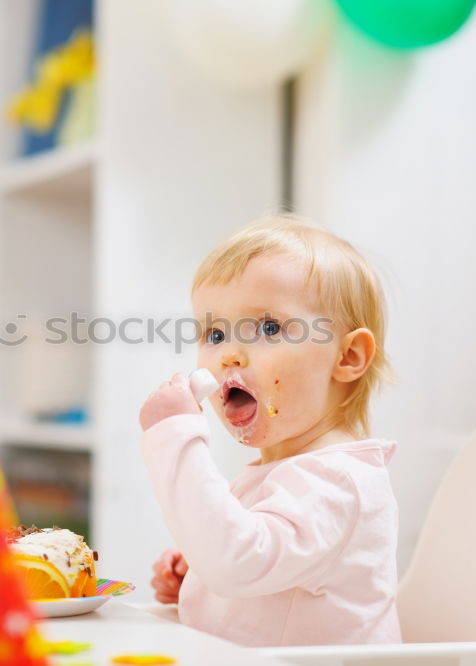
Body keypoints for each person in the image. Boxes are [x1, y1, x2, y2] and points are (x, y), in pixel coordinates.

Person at [139, 215, 401, 647]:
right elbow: (251, 571)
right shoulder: (279, 472)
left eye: (268, 328)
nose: (230, 356)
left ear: (348, 356)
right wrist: (201, 577)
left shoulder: (338, 481)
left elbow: (238, 561)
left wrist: (174, 437)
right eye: (215, 333)